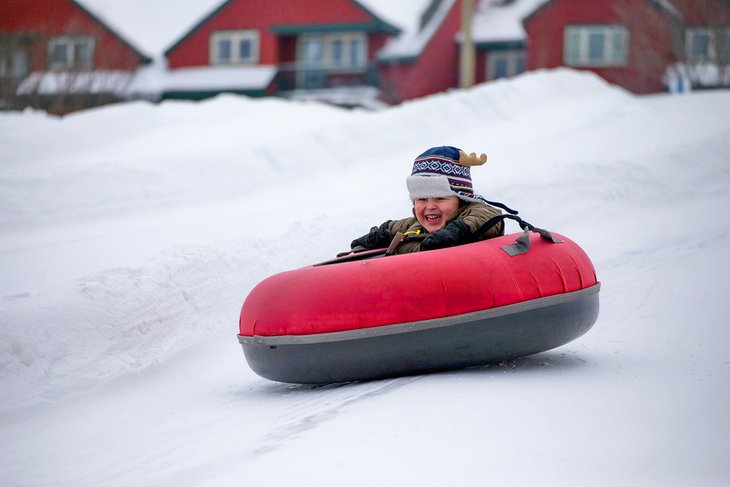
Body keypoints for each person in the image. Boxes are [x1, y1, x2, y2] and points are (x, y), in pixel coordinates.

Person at [350, 146, 505, 254]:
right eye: (422, 199)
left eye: (440, 198)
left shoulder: (474, 213)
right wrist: (377, 235)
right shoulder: (413, 225)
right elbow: (393, 227)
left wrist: (457, 231)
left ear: (461, 200)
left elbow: (488, 216)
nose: (430, 206)